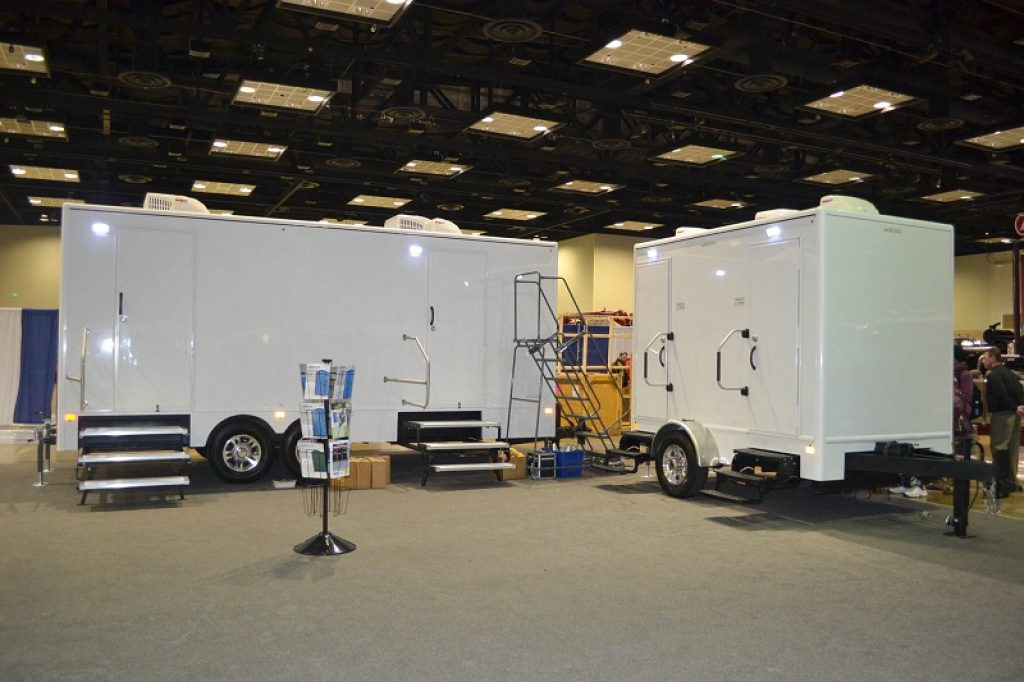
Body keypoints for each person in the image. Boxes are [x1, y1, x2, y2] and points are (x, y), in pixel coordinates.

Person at [980, 347, 1024, 498]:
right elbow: (1019, 389)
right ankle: (1012, 481)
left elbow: (1000, 394)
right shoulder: (1008, 373)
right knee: (1012, 448)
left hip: (1002, 414)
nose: (983, 361)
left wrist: (1013, 406)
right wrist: (1019, 406)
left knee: (999, 447)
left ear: (993, 358)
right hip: (1015, 415)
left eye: (985, 358)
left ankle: (1000, 483)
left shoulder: (993, 375)